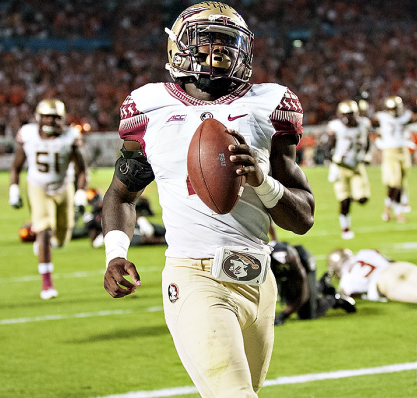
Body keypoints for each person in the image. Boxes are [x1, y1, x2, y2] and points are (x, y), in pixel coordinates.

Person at [101, 3, 315, 397]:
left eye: (226, 43)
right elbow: (122, 194)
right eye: (205, 42)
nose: (216, 51)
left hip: (258, 277)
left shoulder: (270, 105)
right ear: (178, 47)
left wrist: (262, 180)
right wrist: (116, 251)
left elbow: (302, 218)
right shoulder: (149, 107)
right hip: (194, 276)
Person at [9, 98, 88, 299]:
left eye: (55, 118)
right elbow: (16, 166)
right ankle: (47, 284)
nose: (50, 122)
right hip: (38, 187)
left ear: (62, 119)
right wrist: (14, 189)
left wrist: (80, 193)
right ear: (38, 118)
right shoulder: (28, 135)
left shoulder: (70, 137)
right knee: (43, 230)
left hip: (63, 187)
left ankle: (46, 242)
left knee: (61, 240)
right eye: (46, 117)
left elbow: (82, 170)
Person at [269, 238, 356, 326]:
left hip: (306, 266)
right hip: (288, 270)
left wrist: (284, 314)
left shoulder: (295, 263)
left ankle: (335, 299)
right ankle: (322, 285)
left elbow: (303, 294)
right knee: (289, 298)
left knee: (307, 314)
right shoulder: (265, 262)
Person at [373, 95, 417, 222]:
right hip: (390, 151)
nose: (393, 111)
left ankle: (394, 211)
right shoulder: (382, 117)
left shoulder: (405, 116)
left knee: (401, 183)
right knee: (394, 183)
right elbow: (367, 120)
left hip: (403, 150)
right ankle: (390, 210)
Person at [327, 99, 372, 239]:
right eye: (345, 114)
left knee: (363, 199)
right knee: (344, 201)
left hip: (356, 166)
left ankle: (352, 195)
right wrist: (333, 158)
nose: (348, 117)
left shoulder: (363, 124)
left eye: (350, 114)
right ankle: (345, 228)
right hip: (341, 168)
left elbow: (367, 142)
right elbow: (328, 147)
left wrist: (367, 154)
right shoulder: (336, 127)